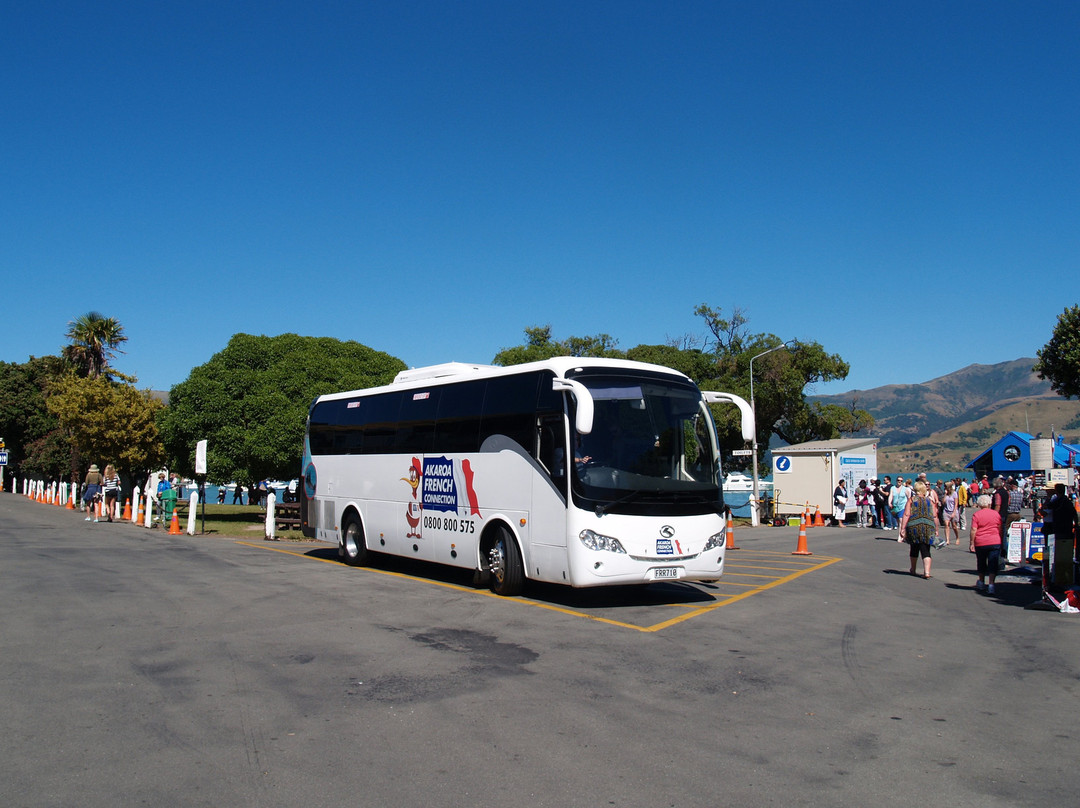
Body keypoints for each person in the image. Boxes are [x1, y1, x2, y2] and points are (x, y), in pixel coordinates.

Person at [898, 480, 940, 578]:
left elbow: (907, 514)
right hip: (928, 526)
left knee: (914, 548)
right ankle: (927, 572)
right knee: (926, 549)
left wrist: (903, 528)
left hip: (914, 526)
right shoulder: (930, 501)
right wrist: (936, 529)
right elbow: (935, 516)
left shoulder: (912, 500)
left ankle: (913, 569)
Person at [969, 493, 1003, 594]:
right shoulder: (996, 514)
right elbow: (1000, 528)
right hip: (994, 540)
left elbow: (973, 529)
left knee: (981, 562)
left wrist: (972, 542)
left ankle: (981, 581)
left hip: (981, 541)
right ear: (989, 503)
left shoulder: (977, 515)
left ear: (979, 504)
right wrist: (999, 537)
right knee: (993, 563)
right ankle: (991, 584)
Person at [940, 482, 960, 547]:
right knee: (946, 525)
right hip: (946, 511)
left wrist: (954, 512)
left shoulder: (954, 493)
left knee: (954, 526)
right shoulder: (946, 494)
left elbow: (956, 504)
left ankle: (957, 537)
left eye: (945, 487)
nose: (944, 488)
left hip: (953, 511)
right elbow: (943, 502)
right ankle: (947, 540)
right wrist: (945, 495)